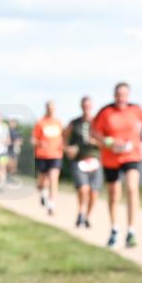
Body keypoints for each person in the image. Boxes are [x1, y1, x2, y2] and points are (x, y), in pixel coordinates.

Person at [92, 82, 142, 248]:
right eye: (119, 95)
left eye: (124, 95)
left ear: (128, 95)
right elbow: (94, 132)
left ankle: (131, 230)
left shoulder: (136, 109)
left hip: (131, 155)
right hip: (111, 157)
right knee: (114, 194)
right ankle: (114, 228)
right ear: (114, 95)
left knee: (132, 188)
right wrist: (108, 141)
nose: (121, 98)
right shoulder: (106, 112)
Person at [64, 96, 103, 228]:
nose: (86, 108)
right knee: (83, 188)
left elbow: (106, 142)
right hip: (79, 160)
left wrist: (96, 142)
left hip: (94, 161)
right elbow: (63, 137)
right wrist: (67, 149)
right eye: (84, 106)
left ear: (91, 107)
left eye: (89, 106)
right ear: (81, 106)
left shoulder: (98, 123)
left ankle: (87, 217)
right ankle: (80, 212)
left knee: (94, 192)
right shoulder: (74, 123)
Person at [33, 101, 65, 216]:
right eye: (49, 108)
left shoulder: (58, 123)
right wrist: (40, 143)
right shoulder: (40, 123)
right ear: (46, 108)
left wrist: (65, 146)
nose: (51, 110)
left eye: (53, 108)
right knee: (42, 181)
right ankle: (43, 193)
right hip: (42, 155)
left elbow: (63, 138)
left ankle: (51, 205)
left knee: (53, 178)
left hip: (56, 155)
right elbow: (33, 139)